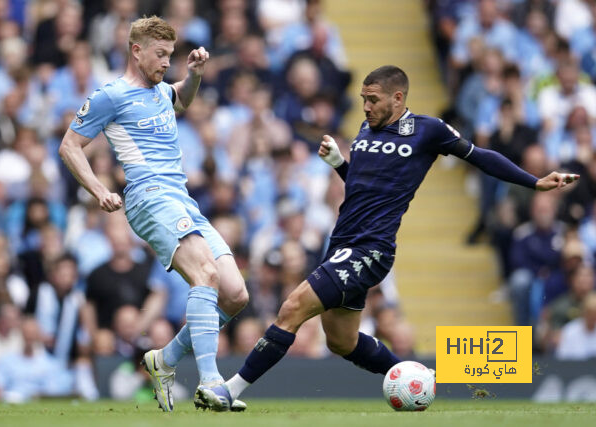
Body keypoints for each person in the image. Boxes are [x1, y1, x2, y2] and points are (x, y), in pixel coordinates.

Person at [196, 65, 580, 410]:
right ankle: (419, 378)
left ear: (398, 98)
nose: (365, 106)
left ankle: (230, 389)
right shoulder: (365, 131)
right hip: (342, 243)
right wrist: (339, 165)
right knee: (341, 342)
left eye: (373, 99)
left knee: (292, 307)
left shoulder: (429, 130)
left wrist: (533, 182)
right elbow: (363, 188)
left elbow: (479, 156)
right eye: (363, 99)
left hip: (371, 248)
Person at [58, 16, 249, 412]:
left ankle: (164, 360)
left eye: (170, 55)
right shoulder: (110, 95)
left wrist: (193, 75)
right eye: (160, 54)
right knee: (206, 276)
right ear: (136, 50)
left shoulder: (162, 91)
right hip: (148, 197)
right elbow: (69, 146)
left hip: (181, 198)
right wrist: (99, 190)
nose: (166, 62)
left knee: (234, 295)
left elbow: (183, 98)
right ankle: (212, 382)